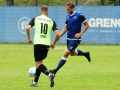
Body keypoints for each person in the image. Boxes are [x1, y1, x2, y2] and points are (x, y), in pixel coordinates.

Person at [50, 2, 91, 75]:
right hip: (69, 38)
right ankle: (85, 54)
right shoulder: (68, 16)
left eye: (68, 9)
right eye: (66, 9)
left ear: (72, 8)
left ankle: (55, 71)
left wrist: (80, 33)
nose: (67, 10)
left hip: (76, 39)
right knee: (72, 53)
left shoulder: (79, 15)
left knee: (66, 53)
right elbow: (66, 27)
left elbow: (87, 25)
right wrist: (59, 35)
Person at [26, 5, 59, 87]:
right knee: (40, 63)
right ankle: (35, 82)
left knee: (38, 63)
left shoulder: (36, 19)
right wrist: (53, 43)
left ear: (40, 12)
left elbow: (27, 28)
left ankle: (49, 74)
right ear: (48, 12)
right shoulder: (52, 21)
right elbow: (57, 34)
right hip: (47, 44)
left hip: (38, 43)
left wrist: (29, 38)